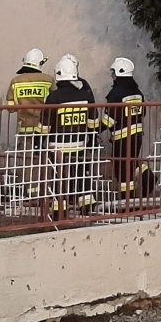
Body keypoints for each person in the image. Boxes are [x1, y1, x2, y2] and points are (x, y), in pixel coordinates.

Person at [45, 54, 98, 216]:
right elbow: (93, 121)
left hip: (58, 147)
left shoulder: (54, 97)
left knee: (58, 179)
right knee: (81, 174)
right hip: (79, 144)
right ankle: (87, 203)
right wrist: (92, 139)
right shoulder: (84, 95)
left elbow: (45, 125)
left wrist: (39, 142)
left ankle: (59, 210)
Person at [103, 56, 153, 199]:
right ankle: (146, 173)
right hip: (137, 135)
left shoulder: (116, 93)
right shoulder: (137, 92)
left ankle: (127, 199)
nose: (112, 75)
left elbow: (109, 120)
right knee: (131, 162)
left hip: (122, 137)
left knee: (122, 170)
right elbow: (142, 112)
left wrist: (95, 130)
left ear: (119, 72)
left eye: (114, 72)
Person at [4, 48, 54, 137]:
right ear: (41, 63)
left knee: (25, 151)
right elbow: (56, 104)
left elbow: (10, 108)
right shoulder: (48, 80)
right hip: (45, 128)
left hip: (24, 129)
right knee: (43, 151)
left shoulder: (16, 82)